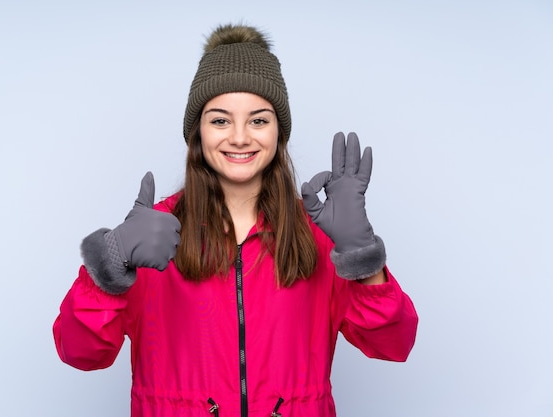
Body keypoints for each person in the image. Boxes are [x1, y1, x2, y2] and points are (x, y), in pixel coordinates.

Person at [53, 23, 418, 417]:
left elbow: (392, 344)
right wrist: (112, 260)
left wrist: (361, 256)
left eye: (259, 120)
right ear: (197, 132)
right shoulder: (150, 235)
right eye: (220, 120)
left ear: (279, 131)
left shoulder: (319, 235)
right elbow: (80, 352)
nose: (240, 137)